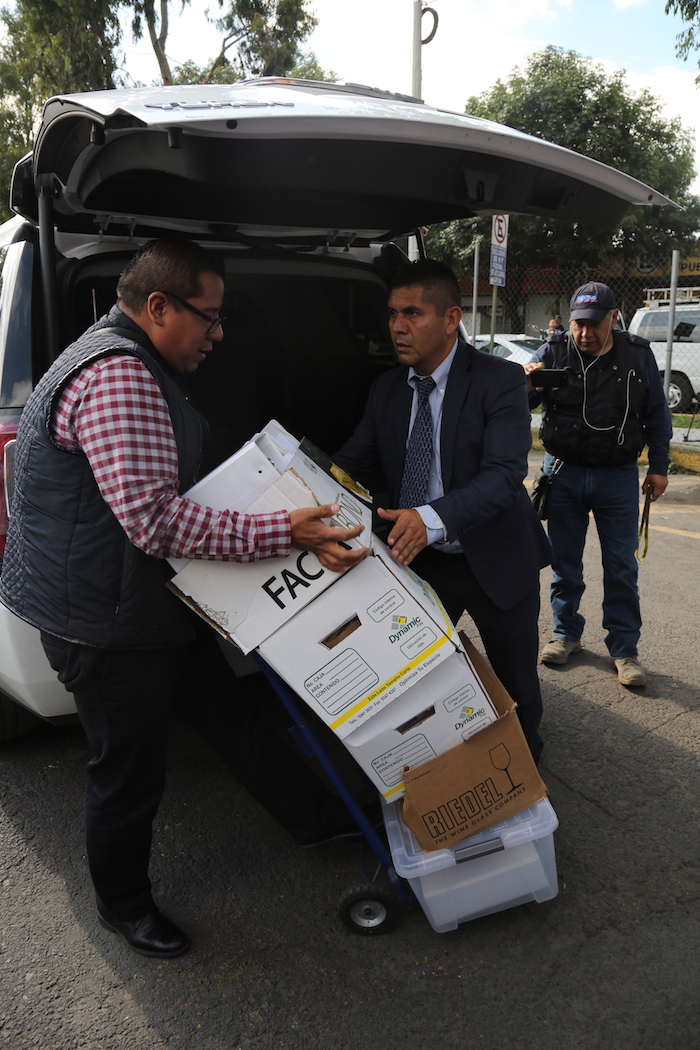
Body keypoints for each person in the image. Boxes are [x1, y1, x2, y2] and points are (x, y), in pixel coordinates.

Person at [0, 239, 369, 960]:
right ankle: (124, 906)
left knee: (232, 714)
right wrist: (285, 530)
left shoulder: (118, 356)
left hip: (142, 603)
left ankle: (319, 818)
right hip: (107, 624)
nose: (218, 333)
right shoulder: (121, 376)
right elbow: (154, 521)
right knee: (128, 772)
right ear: (159, 306)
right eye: (210, 316)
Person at [333, 259, 552, 764]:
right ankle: (431, 770)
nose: (397, 326)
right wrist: (300, 490)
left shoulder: (499, 381)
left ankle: (527, 774)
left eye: (412, 313)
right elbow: (351, 464)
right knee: (415, 678)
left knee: (516, 683)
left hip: (497, 558)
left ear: (452, 318)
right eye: (392, 313)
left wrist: (429, 519)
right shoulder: (387, 389)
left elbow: (503, 476)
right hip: (423, 564)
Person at [524, 281, 672, 687]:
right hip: (563, 472)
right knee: (564, 562)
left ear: (613, 318)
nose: (585, 333)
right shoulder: (553, 351)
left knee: (621, 566)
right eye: (578, 324)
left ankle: (624, 649)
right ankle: (565, 634)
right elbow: (519, 401)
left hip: (618, 476)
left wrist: (659, 467)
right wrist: (526, 383)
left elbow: (657, 413)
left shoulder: (637, 355)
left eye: (594, 323)